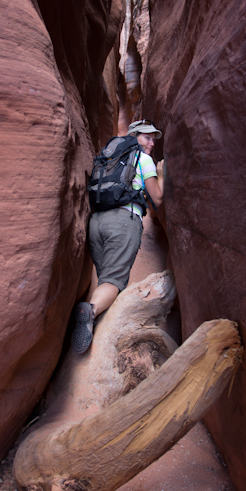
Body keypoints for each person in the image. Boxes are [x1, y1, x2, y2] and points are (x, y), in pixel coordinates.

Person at [71, 120, 164, 354]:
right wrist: (161, 174)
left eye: (154, 138)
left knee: (105, 279)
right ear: (134, 136)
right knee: (113, 280)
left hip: (97, 222)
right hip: (123, 221)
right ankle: (90, 311)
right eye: (146, 137)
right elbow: (158, 198)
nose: (151, 143)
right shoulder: (142, 159)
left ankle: (93, 325)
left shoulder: (108, 158)